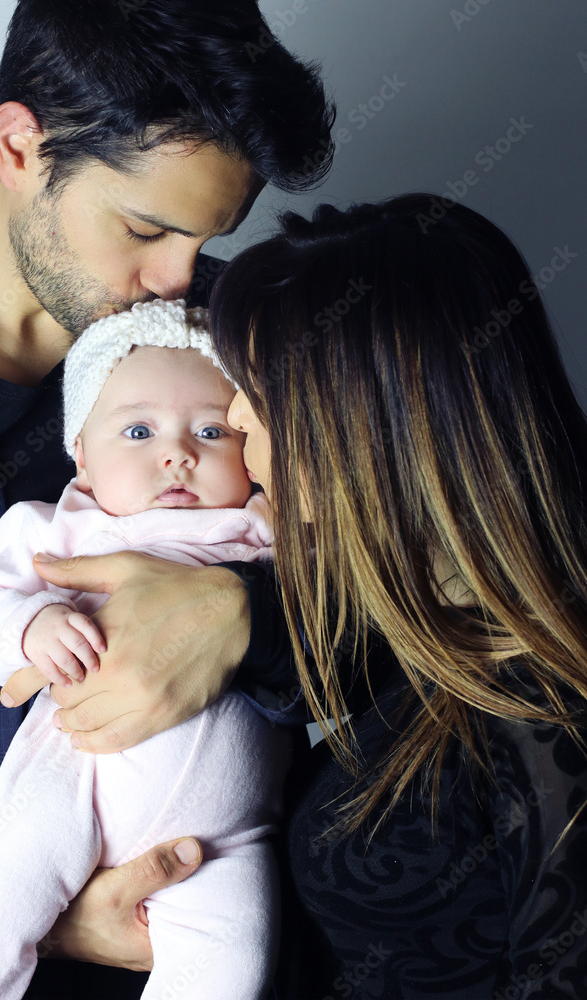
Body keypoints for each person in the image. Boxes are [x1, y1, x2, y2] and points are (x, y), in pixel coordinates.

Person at [0, 0, 333, 994]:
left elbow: (420, 616)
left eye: (209, 236)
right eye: (146, 227)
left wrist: (248, 616)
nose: (180, 280)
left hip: (212, 916)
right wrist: (14, 914)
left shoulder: (244, 340)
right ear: (21, 146)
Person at [204, 195, 587, 998]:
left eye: (259, 389)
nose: (233, 415)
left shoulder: (552, 709)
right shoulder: (429, 639)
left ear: (369, 422)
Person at [0, 299, 288, 1000]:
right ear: (81, 453)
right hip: (70, 784)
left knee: (234, 965)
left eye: (211, 430)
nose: (177, 454)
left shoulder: (263, 528)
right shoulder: (56, 531)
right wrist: (33, 626)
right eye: (138, 431)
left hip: (226, 839)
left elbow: (342, 623)